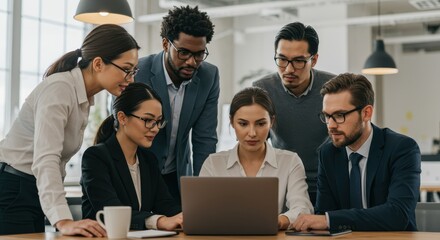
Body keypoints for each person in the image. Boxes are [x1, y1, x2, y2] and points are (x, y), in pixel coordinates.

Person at [0, 24, 140, 236]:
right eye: (127, 69)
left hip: (31, 189)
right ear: (99, 64)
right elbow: (46, 158)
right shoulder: (60, 89)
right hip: (14, 188)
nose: (131, 79)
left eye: (134, 71)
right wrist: (64, 220)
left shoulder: (84, 98)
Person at [292, 73, 421, 231]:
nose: (331, 125)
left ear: (366, 113)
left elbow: (397, 215)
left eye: (340, 115)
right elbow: (324, 213)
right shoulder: (327, 154)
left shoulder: (402, 149)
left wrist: (329, 220)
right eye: (327, 116)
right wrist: (327, 219)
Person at [135, 5, 219, 205]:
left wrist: (203, 192)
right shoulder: (138, 72)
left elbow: (205, 140)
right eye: (183, 52)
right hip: (138, 174)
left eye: (199, 54)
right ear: (166, 44)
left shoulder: (209, 76)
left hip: (177, 178)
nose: (191, 62)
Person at [199, 87, 313, 230]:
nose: (252, 133)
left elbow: (302, 208)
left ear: (271, 122)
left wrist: (278, 221)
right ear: (232, 122)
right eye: (243, 124)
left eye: (260, 124)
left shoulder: (290, 162)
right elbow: (202, 212)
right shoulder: (213, 164)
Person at [253, 22, 335, 205]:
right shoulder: (262, 89)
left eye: (298, 61)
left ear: (314, 60)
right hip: (282, 182)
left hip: (326, 183)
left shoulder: (334, 87)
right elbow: (255, 143)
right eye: (282, 59)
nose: (289, 69)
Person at [81, 83, 182, 231]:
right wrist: (159, 221)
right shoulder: (96, 157)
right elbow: (112, 211)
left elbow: (165, 204)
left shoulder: (148, 160)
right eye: (148, 120)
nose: (155, 128)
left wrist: (186, 217)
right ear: (122, 118)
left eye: (158, 121)